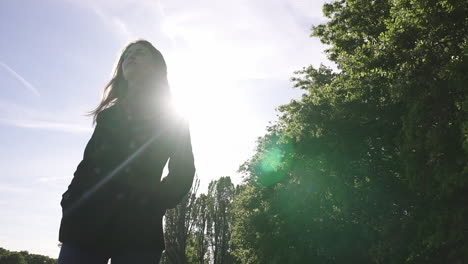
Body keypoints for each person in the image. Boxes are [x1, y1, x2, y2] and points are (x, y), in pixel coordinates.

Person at [57, 39, 196, 264]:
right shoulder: (108, 115)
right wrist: (71, 199)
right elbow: (88, 163)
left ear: (156, 66)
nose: (130, 57)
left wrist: (155, 203)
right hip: (87, 220)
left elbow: (183, 170)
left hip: (139, 227)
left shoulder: (173, 116)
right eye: (126, 55)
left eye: (140, 53)